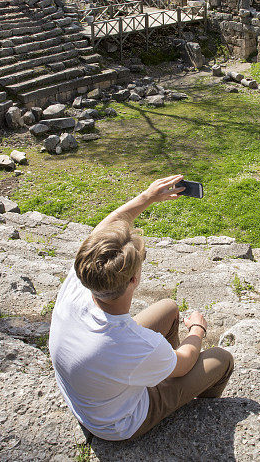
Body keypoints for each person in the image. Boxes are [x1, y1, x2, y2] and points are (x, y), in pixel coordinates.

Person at [48, 174, 234, 441]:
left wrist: (147, 197)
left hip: (89, 391)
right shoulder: (132, 343)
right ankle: (198, 409)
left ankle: (155, 372)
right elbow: (185, 362)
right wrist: (197, 329)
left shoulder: (79, 284)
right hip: (117, 424)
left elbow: (104, 229)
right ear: (134, 280)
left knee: (169, 309)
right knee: (221, 359)